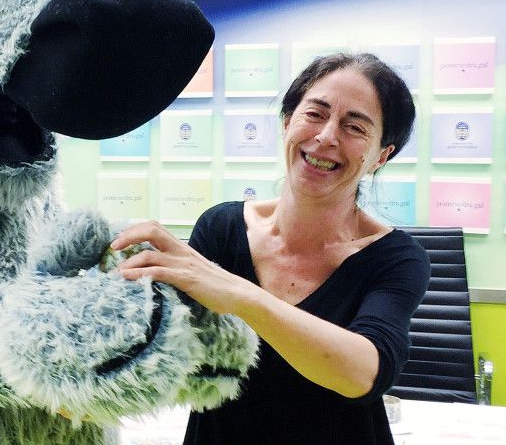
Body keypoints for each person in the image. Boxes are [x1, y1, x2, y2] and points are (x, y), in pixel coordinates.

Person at [112, 53, 430, 445]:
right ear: (287, 123)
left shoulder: (396, 257)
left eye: (354, 127)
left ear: (381, 157)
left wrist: (241, 296)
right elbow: (168, 350)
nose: (327, 136)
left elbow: (364, 373)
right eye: (315, 113)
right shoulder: (221, 228)